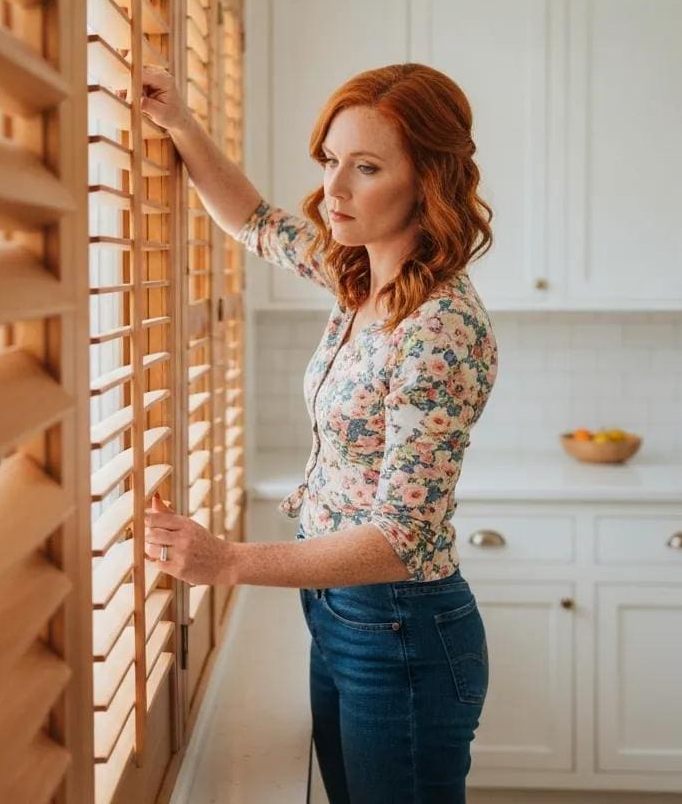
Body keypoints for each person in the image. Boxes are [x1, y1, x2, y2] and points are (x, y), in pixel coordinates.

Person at [140, 62, 499, 803]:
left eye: (364, 168)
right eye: (331, 160)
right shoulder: (362, 279)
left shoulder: (438, 327)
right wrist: (178, 122)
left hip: (400, 632)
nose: (333, 189)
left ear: (427, 180)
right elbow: (254, 220)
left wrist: (227, 560)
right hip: (342, 612)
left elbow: (401, 536)